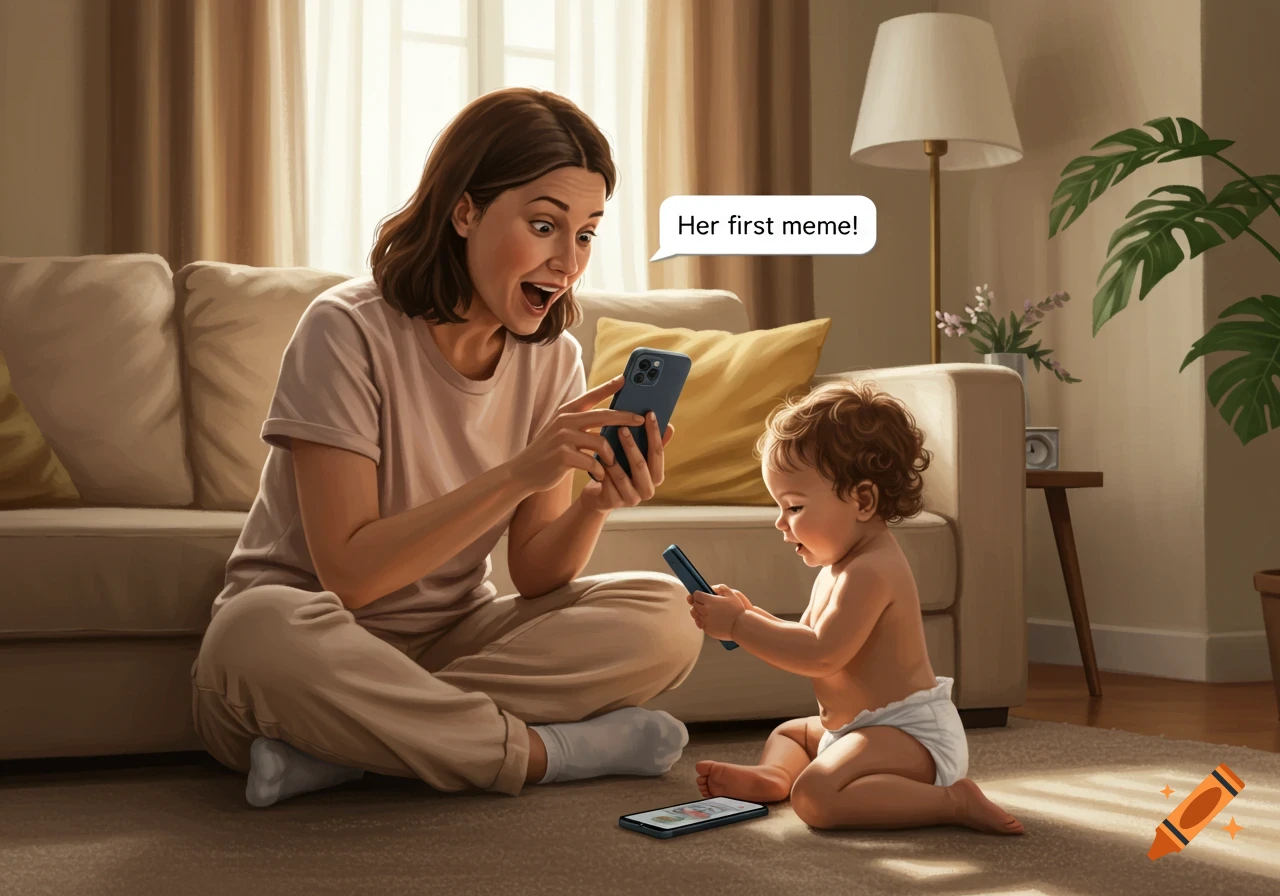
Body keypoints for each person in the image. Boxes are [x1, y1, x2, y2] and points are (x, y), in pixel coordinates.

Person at [190, 87, 703, 808]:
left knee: (671, 614)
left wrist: (593, 503)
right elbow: (350, 577)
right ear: (465, 211)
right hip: (314, 639)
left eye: (585, 234)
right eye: (544, 225)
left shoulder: (551, 360)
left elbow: (534, 574)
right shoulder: (345, 330)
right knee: (253, 631)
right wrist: (521, 470)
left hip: (453, 641)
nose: (567, 261)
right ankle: (542, 754)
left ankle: (346, 746)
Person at [687, 380, 1024, 835]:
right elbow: (805, 636)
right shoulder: (837, 567)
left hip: (911, 736)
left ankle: (951, 801)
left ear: (862, 500)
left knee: (816, 798)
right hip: (855, 732)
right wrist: (749, 614)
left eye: (795, 506)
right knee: (791, 733)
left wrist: (741, 625)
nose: (780, 522)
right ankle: (775, 776)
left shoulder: (872, 570)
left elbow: (820, 654)